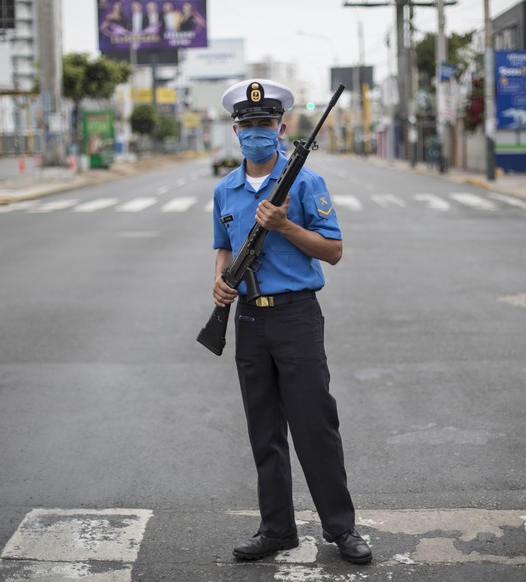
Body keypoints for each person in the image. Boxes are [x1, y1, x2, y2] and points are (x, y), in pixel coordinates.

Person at [210, 79, 372, 565]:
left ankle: (341, 529)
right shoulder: (226, 189)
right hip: (249, 324)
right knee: (264, 431)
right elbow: (222, 246)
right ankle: (276, 529)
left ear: (280, 128)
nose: (256, 132)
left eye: (265, 124)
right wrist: (219, 282)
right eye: (248, 125)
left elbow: (334, 251)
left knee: (314, 427)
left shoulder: (305, 182)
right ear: (235, 131)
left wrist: (285, 226)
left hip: (296, 317)